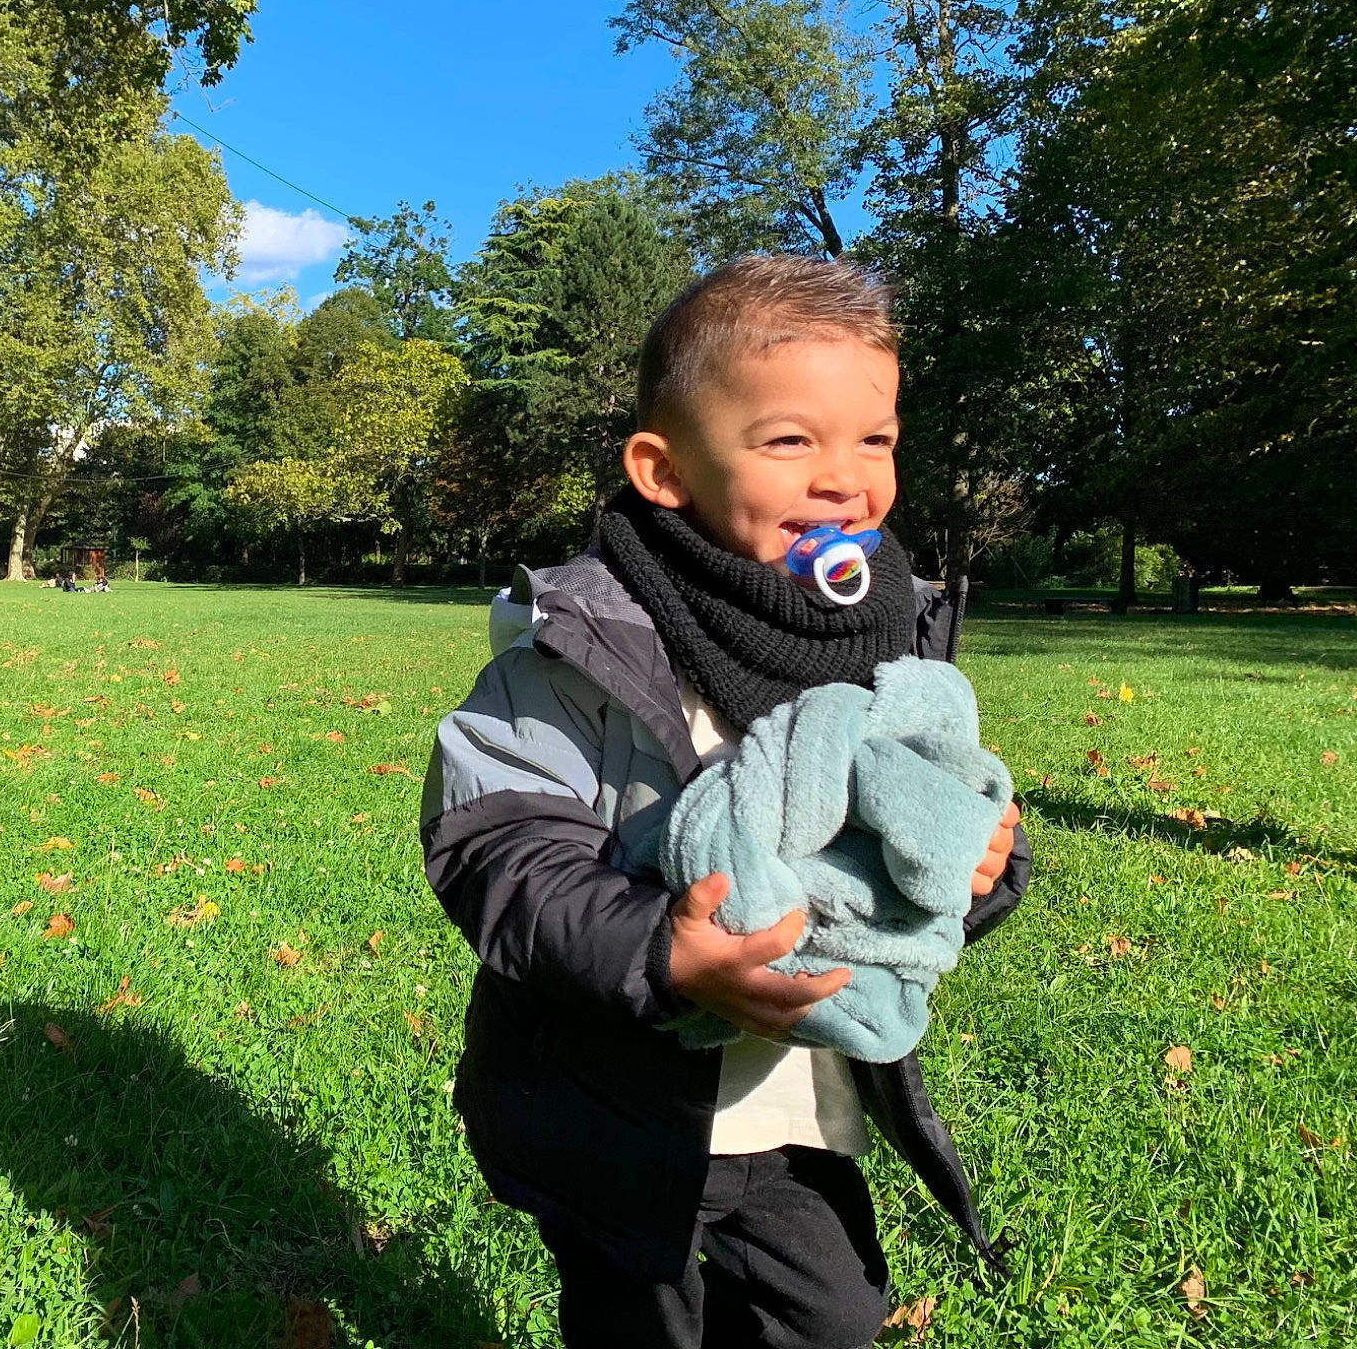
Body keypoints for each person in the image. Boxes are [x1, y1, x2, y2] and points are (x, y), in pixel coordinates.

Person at [420, 255, 1030, 1348]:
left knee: (831, 1316)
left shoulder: (885, 634)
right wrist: (658, 951)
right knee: (635, 1318)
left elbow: (932, 816)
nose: (844, 478)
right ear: (663, 470)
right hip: (612, 1102)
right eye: (789, 440)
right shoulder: (581, 646)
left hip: (802, 1101)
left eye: (874, 439)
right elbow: (495, 847)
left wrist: (981, 862)